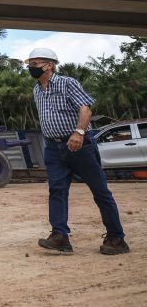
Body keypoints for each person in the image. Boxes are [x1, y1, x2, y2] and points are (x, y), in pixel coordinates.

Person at [26, 47, 129, 255]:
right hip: (53, 148)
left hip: (79, 145)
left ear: (49, 65)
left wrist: (79, 132)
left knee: (100, 191)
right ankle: (59, 236)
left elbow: (85, 108)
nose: (31, 67)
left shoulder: (67, 83)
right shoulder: (37, 89)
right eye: (29, 63)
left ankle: (116, 238)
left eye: (35, 64)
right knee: (56, 190)